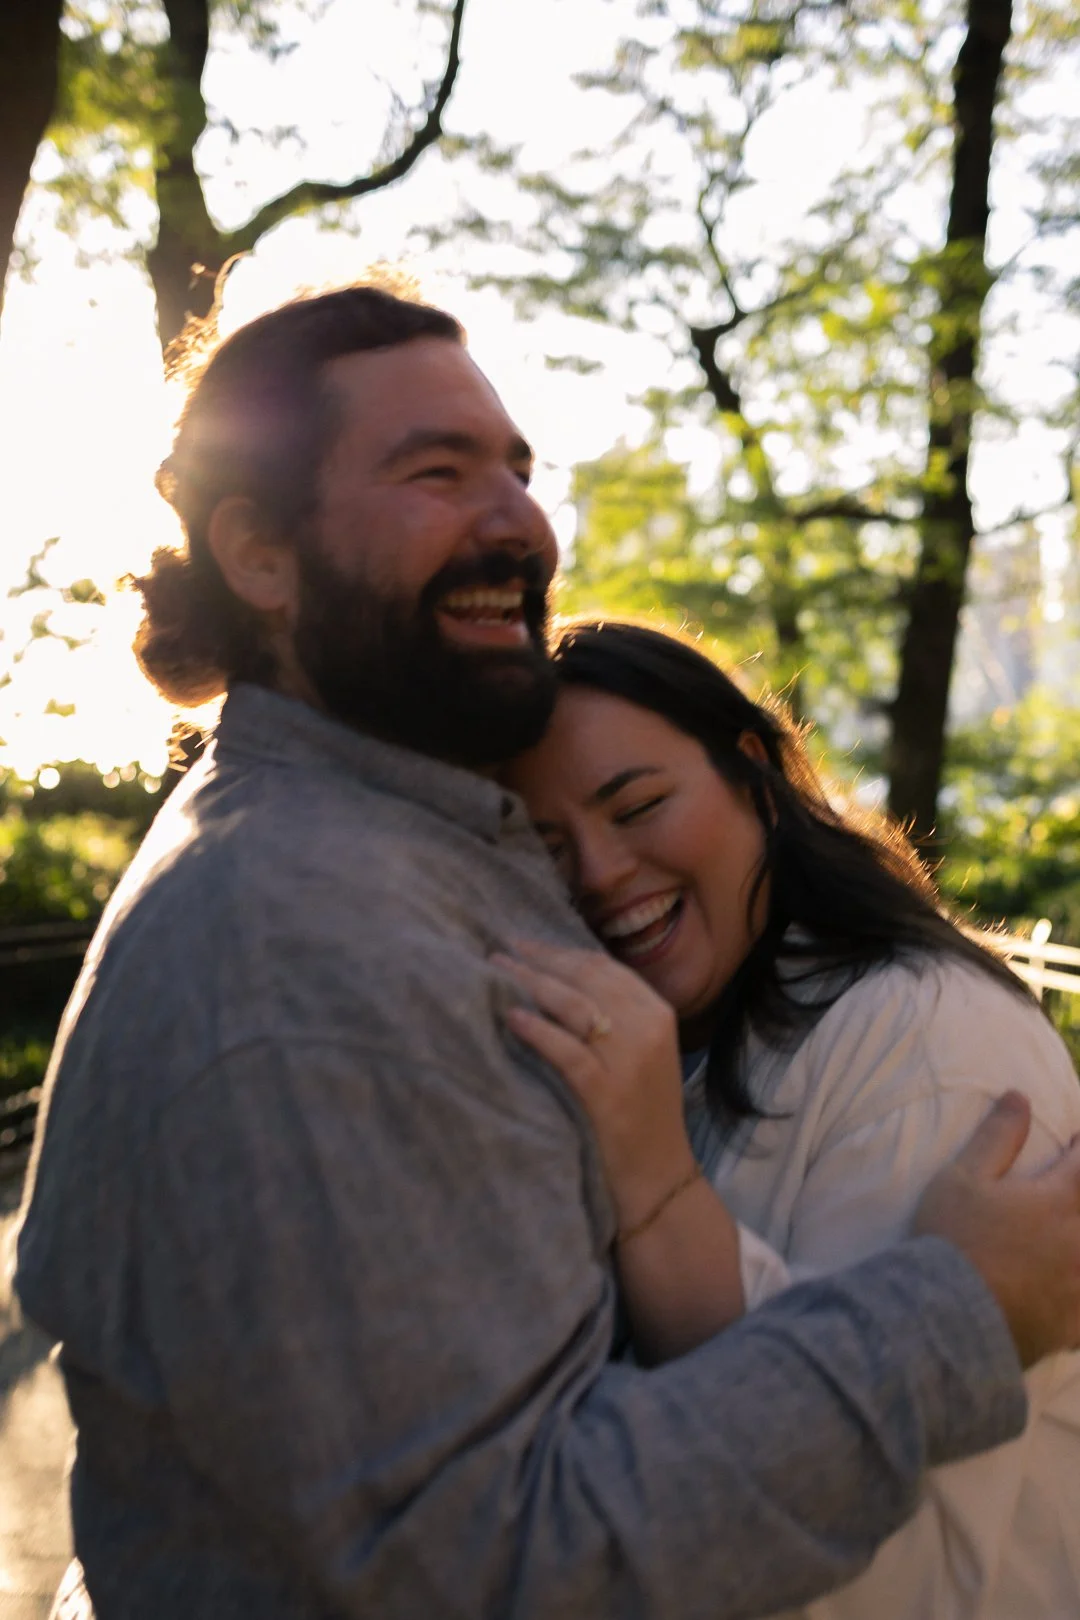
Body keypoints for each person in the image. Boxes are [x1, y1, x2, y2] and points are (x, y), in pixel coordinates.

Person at [10, 283, 1080, 1620]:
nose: (519, 518)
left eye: (517, 468)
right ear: (264, 557)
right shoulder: (312, 949)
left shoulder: (388, 870)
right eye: (435, 471)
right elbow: (485, 1567)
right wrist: (960, 1314)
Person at [503, 618, 1080, 1619]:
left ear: (754, 771)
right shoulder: (656, 1040)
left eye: (636, 805)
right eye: (546, 849)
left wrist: (656, 1191)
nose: (596, 874)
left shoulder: (924, 1045)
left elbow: (890, 1577)